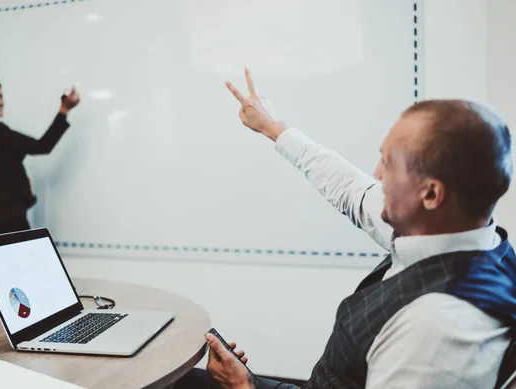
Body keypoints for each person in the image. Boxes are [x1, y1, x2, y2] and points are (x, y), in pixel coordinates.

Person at [175, 68, 516, 388]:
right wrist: (273, 128)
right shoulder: (450, 236)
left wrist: (244, 386)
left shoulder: (436, 328)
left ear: (430, 193)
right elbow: (353, 190)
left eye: (388, 162)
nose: (377, 175)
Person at [0, 77, 80, 269]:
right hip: (4, 215)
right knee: (28, 271)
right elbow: (43, 145)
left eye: (1, 96)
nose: (0, 101)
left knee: (10, 273)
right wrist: (64, 110)